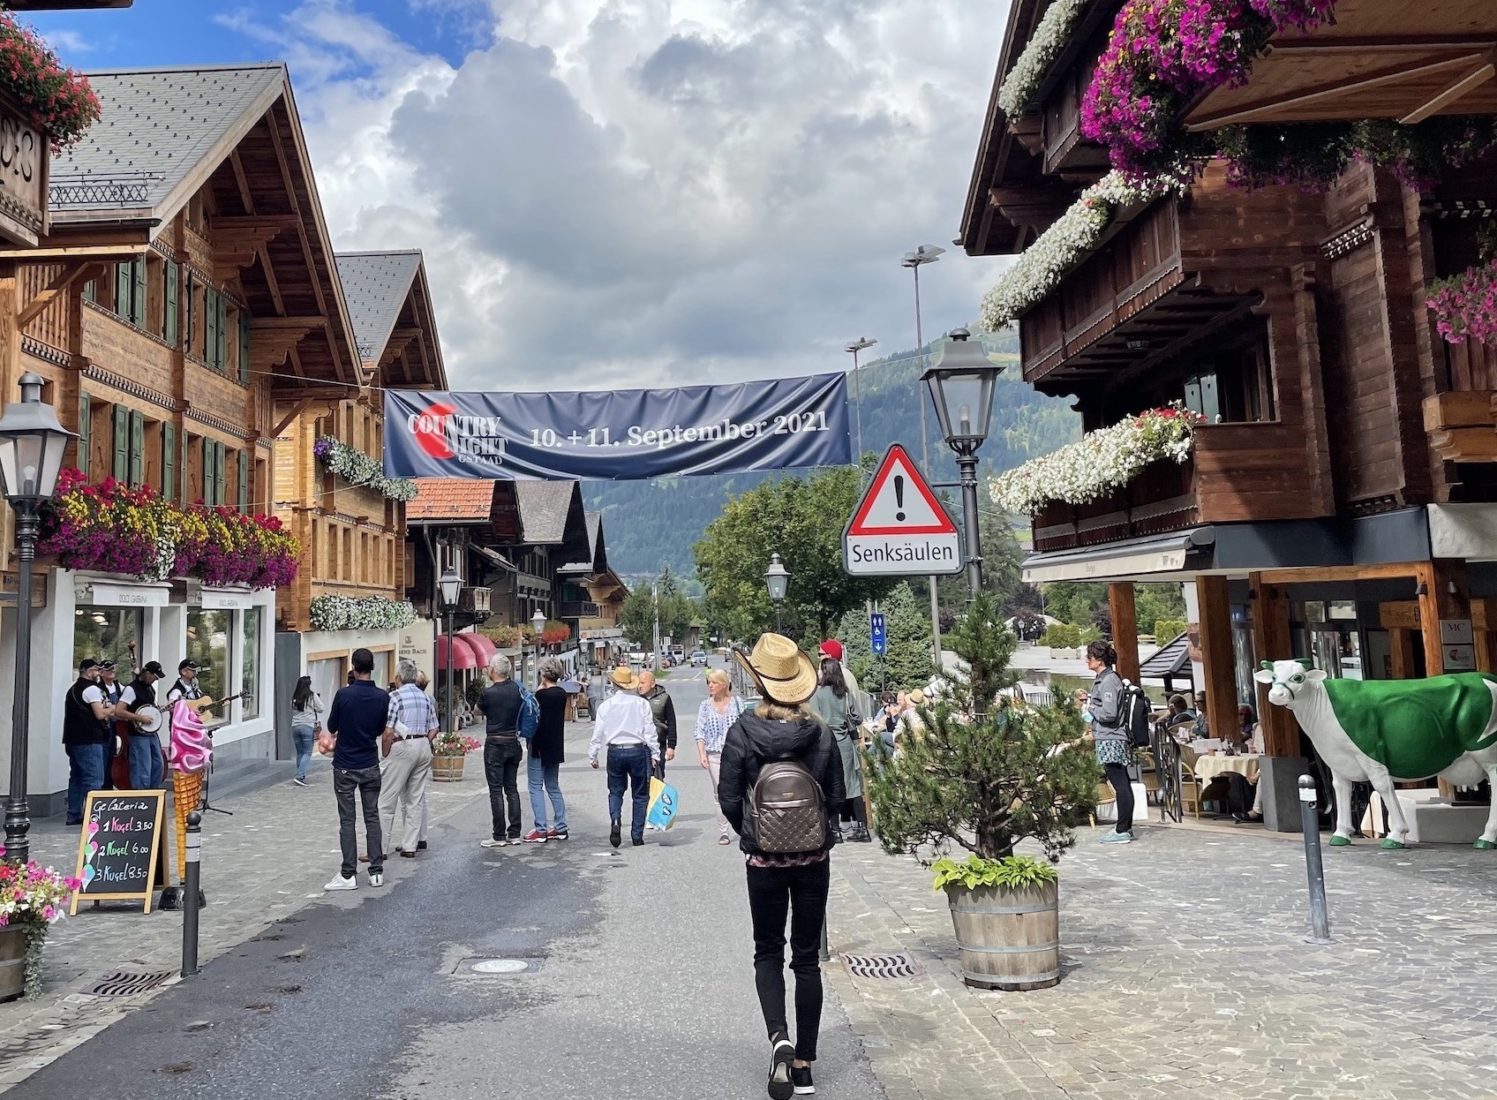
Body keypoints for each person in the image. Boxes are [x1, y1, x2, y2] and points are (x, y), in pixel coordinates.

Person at [717, 633, 844, 1100]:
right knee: (806, 958)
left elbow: (729, 797)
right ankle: (806, 1064)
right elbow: (834, 798)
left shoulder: (743, 732)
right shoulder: (821, 734)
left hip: (763, 860)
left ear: (759, 684)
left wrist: (754, 831)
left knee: (767, 950)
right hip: (813, 858)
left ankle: (780, 1039)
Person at [323, 648, 386, 890]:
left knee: (347, 820)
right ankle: (376, 871)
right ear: (372, 668)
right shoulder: (382, 697)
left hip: (346, 764)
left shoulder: (344, 695)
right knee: (372, 816)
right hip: (370, 761)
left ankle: (348, 874)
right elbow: (380, 729)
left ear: (353, 666)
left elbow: (332, 725)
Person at [588, 666, 658, 848]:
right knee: (640, 794)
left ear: (613, 684)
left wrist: (593, 754)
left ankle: (616, 819)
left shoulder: (606, 706)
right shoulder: (642, 704)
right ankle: (637, 835)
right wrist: (655, 753)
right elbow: (649, 731)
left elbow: (598, 732)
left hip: (615, 750)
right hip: (637, 750)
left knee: (615, 790)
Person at [381, 658, 438, 859]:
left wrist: (386, 751)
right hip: (423, 744)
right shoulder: (425, 697)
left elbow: (389, 730)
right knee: (415, 798)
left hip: (402, 745)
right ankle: (410, 845)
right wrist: (424, 740)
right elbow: (434, 727)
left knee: (387, 798)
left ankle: (379, 848)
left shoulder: (395, 696)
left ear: (398, 678)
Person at [809, 655, 868, 843]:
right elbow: (858, 717)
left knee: (831, 786)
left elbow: (813, 720)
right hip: (845, 743)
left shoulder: (818, 695)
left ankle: (835, 830)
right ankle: (863, 828)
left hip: (826, 742)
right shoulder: (845, 693)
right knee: (853, 786)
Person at [1085, 640, 1134, 844]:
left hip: (1111, 737)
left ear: (1099, 659)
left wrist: (1090, 709)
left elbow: (1109, 713)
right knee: (1121, 781)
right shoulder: (1107, 679)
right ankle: (1124, 827)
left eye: (1089, 657)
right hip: (1110, 736)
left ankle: (1123, 829)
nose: (1086, 661)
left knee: (1120, 783)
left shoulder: (1107, 682)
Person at [477, 655, 525, 848]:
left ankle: (499, 835)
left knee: (495, 790)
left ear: (494, 671)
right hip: (513, 741)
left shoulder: (488, 693)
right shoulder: (517, 690)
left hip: (495, 744)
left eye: (489, 667)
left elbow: (477, 711)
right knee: (512, 788)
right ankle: (515, 833)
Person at [695, 667, 746, 845]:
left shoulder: (737, 703)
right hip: (714, 754)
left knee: (740, 790)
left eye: (714, 682)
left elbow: (746, 728)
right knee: (720, 793)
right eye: (709, 682)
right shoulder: (705, 706)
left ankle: (742, 827)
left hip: (737, 754)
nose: (710, 685)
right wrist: (702, 754)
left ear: (724, 684)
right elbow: (699, 732)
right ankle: (724, 831)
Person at [523, 658, 569, 843]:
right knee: (553, 786)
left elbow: (531, 716)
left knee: (535, 786)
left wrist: (539, 689)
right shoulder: (562, 694)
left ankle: (540, 829)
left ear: (543, 674)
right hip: (555, 746)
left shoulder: (539, 696)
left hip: (539, 745)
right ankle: (560, 826)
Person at [62, 658, 111, 824]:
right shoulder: (91, 689)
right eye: (96, 670)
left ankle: (73, 813)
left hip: (73, 740)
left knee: (76, 776)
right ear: (89, 671)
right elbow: (100, 714)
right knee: (94, 778)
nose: (99, 673)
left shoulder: (72, 689)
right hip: (90, 740)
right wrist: (113, 709)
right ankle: (94, 817)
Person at [116, 660, 168, 789]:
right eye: (154, 677)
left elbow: (150, 708)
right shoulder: (131, 689)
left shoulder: (150, 689)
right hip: (137, 733)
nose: (155, 680)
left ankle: (154, 792)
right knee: (142, 767)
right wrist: (139, 718)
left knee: (158, 764)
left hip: (151, 732)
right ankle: (141, 796)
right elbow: (119, 710)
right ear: (147, 673)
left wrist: (162, 709)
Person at [638, 669, 677, 781]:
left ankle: (656, 797)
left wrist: (671, 746)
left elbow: (671, 722)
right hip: (640, 745)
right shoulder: (636, 699)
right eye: (638, 683)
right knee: (643, 777)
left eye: (643, 683)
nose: (639, 686)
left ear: (652, 683)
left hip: (659, 744)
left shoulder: (664, 698)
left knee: (658, 776)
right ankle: (644, 797)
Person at [290, 675, 323, 787]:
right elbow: (321, 708)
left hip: (295, 727)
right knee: (307, 752)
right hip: (307, 726)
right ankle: (300, 775)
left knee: (300, 752)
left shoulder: (294, 698)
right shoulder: (311, 696)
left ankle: (301, 776)